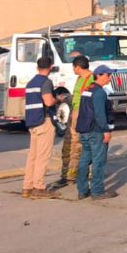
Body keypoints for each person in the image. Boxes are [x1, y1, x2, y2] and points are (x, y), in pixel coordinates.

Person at [75, 65, 118, 200]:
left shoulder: (87, 89)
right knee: (98, 161)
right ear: (99, 75)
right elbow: (100, 114)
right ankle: (97, 191)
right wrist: (106, 130)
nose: (109, 78)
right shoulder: (100, 92)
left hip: (85, 130)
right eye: (107, 75)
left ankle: (82, 190)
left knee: (84, 160)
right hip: (96, 131)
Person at [51, 55, 93, 189]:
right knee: (68, 145)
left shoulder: (91, 79)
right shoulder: (80, 78)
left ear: (78, 67)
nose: (73, 70)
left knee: (78, 146)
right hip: (74, 113)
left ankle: (78, 175)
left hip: (82, 114)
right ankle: (66, 175)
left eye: (73, 67)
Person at [22, 57, 60, 199]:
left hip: (33, 122)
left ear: (37, 67)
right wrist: (59, 99)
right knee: (43, 157)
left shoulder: (31, 82)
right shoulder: (46, 82)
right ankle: (39, 187)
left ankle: (27, 187)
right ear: (51, 67)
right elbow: (49, 102)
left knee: (33, 156)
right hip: (44, 121)